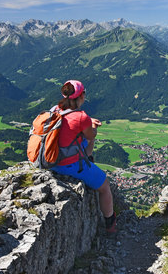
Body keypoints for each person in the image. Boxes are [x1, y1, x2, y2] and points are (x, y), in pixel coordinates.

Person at [50, 79, 116, 233]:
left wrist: (86, 121)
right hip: (68, 164)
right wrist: (92, 125)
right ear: (81, 96)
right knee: (105, 186)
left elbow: (68, 124)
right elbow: (91, 135)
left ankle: (88, 160)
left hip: (51, 158)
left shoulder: (55, 109)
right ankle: (110, 224)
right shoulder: (81, 117)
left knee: (83, 140)